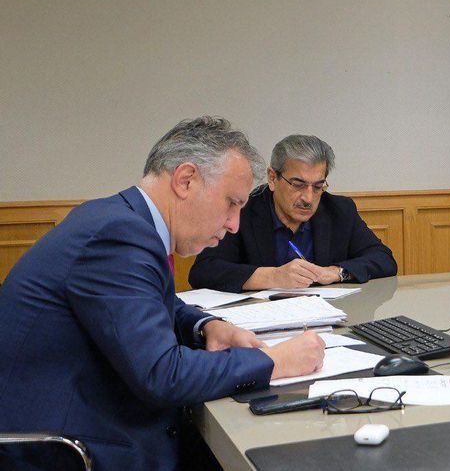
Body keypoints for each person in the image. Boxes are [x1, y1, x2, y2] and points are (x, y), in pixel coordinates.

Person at [0, 117, 326, 470]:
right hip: (69, 449)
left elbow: (156, 301)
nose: (234, 224)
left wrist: (206, 326)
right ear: (186, 180)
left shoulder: (117, 217)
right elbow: (163, 374)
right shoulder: (119, 234)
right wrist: (275, 362)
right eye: (232, 203)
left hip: (90, 420)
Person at [190, 135, 397, 292]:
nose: (308, 198)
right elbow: (204, 272)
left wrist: (336, 272)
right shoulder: (243, 213)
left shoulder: (339, 211)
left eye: (317, 187)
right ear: (272, 178)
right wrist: (273, 276)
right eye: (298, 185)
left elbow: (383, 259)